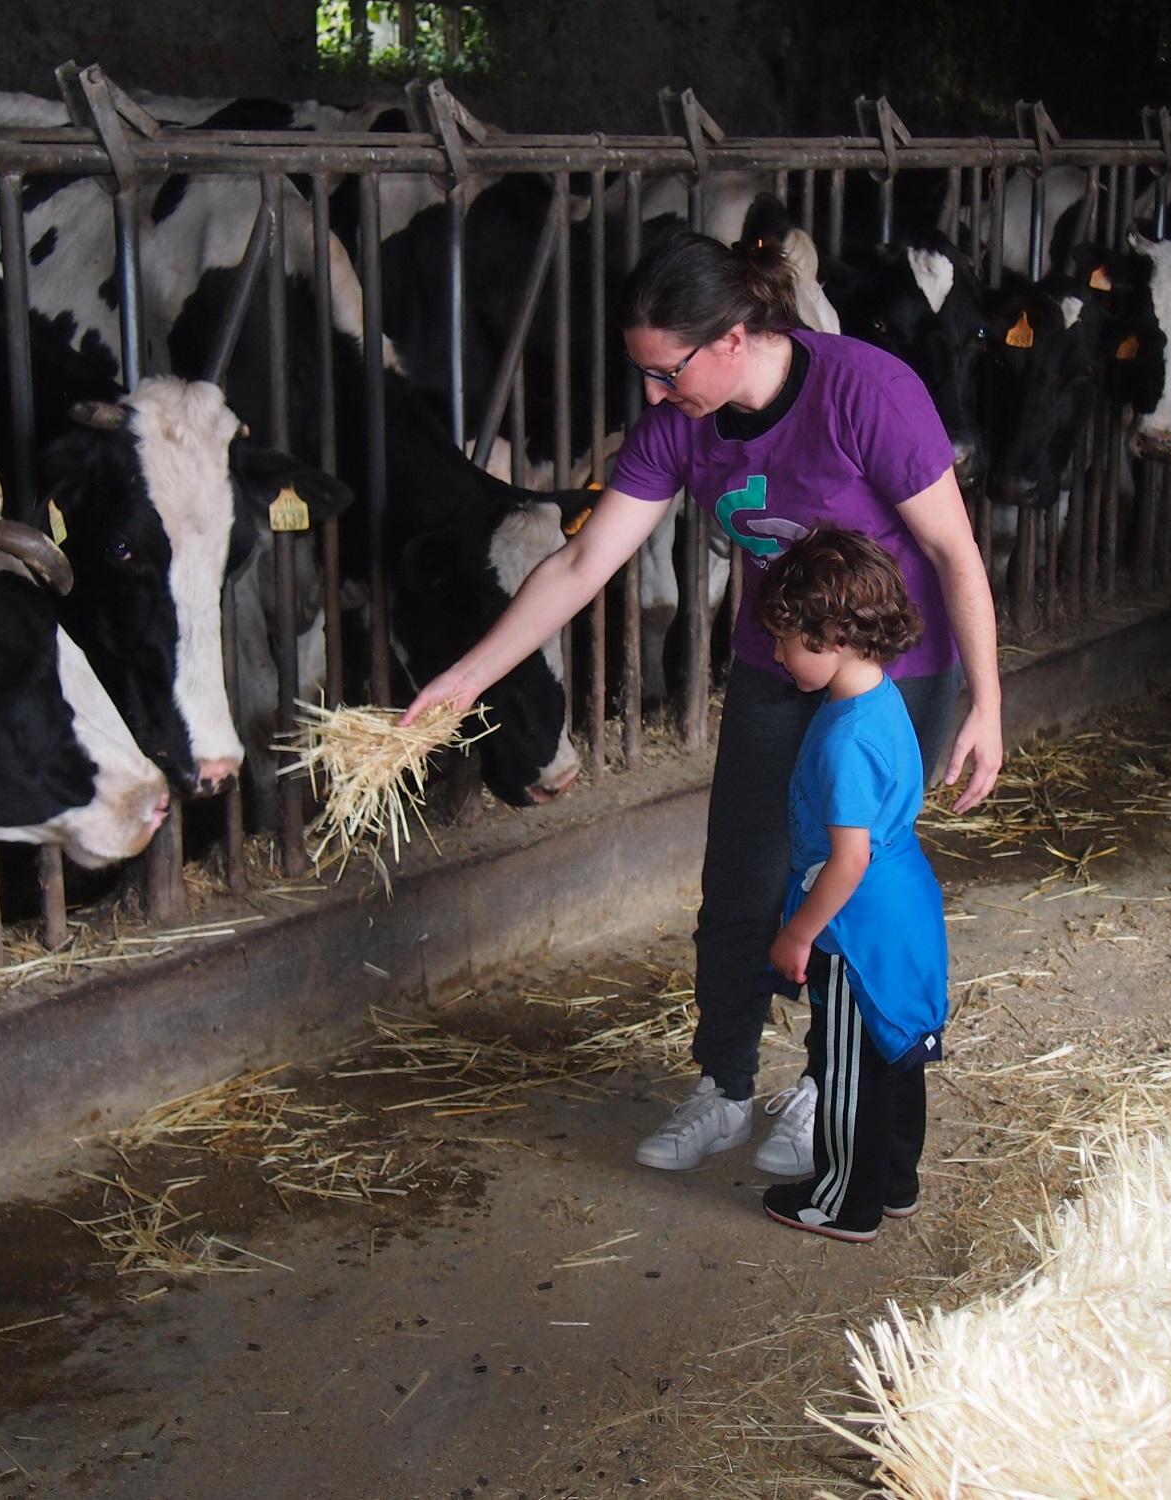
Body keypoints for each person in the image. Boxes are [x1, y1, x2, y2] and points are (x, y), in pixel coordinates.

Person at [399, 228, 1000, 1175]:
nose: (650, 394)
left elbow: (954, 553)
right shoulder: (680, 422)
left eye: (664, 369)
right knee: (742, 882)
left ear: (730, 338)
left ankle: (819, 1083)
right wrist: (467, 677)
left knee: (851, 880)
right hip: (776, 664)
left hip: (897, 672)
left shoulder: (868, 391)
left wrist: (987, 702)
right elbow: (584, 561)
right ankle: (724, 1084)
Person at [756, 530, 947, 1241]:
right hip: (903, 903)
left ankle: (845, 1201)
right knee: (897, 1050)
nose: (778, 656)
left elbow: (848, 859)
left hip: (856, 922)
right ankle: (895, 1182)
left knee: (846, 1063)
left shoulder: (843, 739)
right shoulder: (881, 702)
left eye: (786, 639)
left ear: (833, 633)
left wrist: (799, 930)